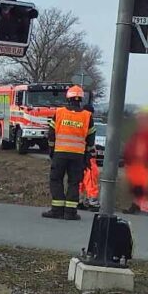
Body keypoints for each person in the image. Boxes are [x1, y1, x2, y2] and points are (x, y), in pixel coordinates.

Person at [45, 84, 94, 220]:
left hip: (60, 153)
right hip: (78, 155)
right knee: (74, 182)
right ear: (81, 100)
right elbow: (91, 139)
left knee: (56, 179)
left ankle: (57, 210)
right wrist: (87, 155)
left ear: (68, 98)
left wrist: (51, 150)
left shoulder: (59, 112)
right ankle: (70, 212)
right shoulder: (87, 116)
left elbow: (51, 134)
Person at [123, 110, 148, 215]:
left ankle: (144, 207)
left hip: (144, 163)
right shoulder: (140, 132)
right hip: (136, 163)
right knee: (136, 186)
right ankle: (136, 205)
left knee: (142, 186)